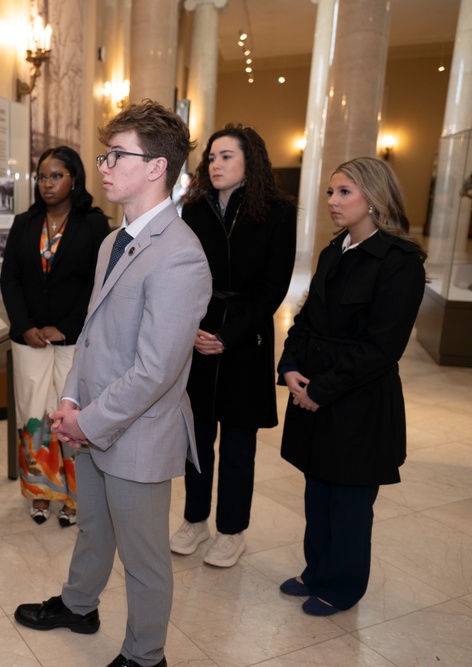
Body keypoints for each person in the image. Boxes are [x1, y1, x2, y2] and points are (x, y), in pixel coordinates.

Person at [14, 100, 212, 667]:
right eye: (104, 154)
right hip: (95, 418)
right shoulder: (112, 241)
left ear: (156, 168)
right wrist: (72, 399)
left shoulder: (180, 257)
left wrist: (89, 420)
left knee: (145, 558)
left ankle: (147, 655)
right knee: (94, 527)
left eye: (116, 155)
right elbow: (93, 333)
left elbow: (156, 369)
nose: (103, 166)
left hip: (137, 431)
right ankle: (80, 606)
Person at [277, 157, 426, 616]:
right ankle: (317, 569)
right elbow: (306, 318)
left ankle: (342, 585)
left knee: (349, 500)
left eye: (344, 192)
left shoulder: (400, 263)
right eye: (330, 192)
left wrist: (320, 390)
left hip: (358, 399)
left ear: (374, 197)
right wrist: (289, 365)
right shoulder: (334, 250)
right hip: (315, 385)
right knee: (316, 489)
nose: (332, 201)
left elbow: (382, 347)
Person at [170, 124, 297, 567]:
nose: (215, 164)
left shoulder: (278, 211)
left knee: (239, 446)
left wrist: (229, 335)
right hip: (200, 330)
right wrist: (194, 329)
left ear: (250, 161)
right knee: (196, 439)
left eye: (226, 156)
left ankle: (231, 531)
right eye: (211, 157)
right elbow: (184, 274)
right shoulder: (195, 208)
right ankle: (194, 519)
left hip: (247, 335)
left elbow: (273, 287)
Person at [0, 145, 110, 527]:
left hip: (74, 338)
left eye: (56, 175)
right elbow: (9, 279)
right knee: (33, 414)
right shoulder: (24, 223)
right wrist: (25, 325)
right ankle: (40, 492)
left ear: (74, 179)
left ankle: (76, 496)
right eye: (42, 176)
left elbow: (99, 283)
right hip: (28, 339)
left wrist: (66, 325)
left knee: (70, 417)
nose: (47, 183)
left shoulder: (94, 224)